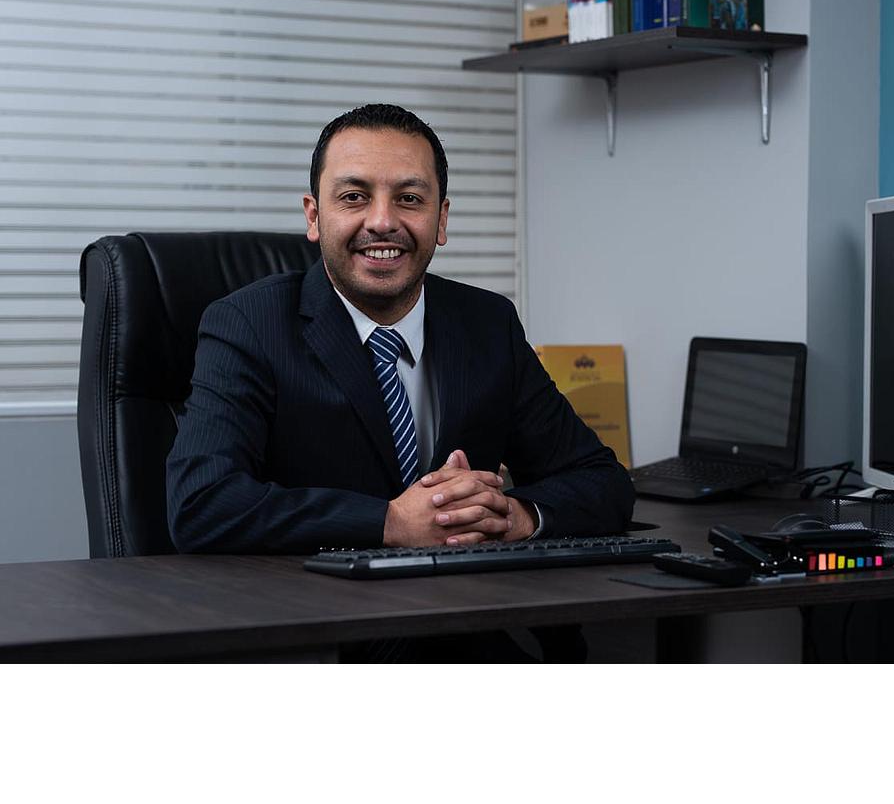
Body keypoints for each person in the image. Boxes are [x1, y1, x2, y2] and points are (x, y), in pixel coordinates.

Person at [166, 103, 634, 557]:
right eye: (354, 197)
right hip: (316, 605)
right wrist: (389, 522)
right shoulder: (249, 325)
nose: (383, 222)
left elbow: (601, 480)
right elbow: (201, 504)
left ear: (441, 219)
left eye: (409, 199)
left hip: (468, 603)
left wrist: (511, 517)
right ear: (314, 216)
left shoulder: (488, 324)